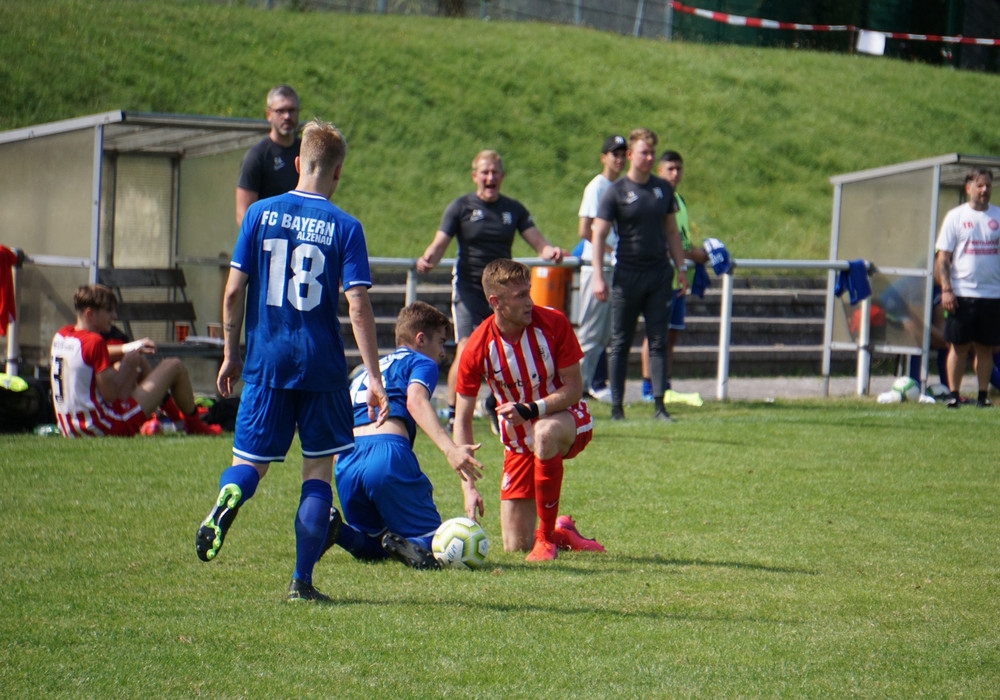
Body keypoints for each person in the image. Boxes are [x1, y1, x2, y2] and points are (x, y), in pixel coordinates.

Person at [196, 118, 390, 603]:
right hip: (322, 367)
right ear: (338, 172)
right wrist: (374, 376)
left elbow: (235, 290)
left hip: (267, 363)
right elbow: (358, 305)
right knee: (317, 474)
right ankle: (302, 582)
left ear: (300, 163)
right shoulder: (346, 226)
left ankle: (231, 495)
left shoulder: (258, 214)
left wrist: (230, 353)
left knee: (249, 464)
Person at [454, 259, 604, 562]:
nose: (530, 302)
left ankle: (546, 539)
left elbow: (575, 388)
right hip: (518, 443)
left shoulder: (553, 323)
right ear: (495, 302)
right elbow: (462, 419)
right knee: (514, 545)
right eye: (520, 296)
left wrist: (532, 409)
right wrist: (468, 488)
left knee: (544, 431)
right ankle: (562, 531)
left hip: (569, 419)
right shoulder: (477, 346)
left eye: (528, 292)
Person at [323, 301, 484, 570]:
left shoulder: (366, 371)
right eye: (441, 342)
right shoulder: (421, 361)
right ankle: (420, 544)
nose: (442, 353)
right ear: (420, 339)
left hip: (346, 461)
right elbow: (416, 402)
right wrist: (450, 449)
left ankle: (338, 530)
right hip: (386, 453)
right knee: (437, 545)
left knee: (377, 544)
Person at [415, 150, 565, 434]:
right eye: (484, 172)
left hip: (504, 293)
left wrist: (550, 251)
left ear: (502, 176)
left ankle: (494, 405)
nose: (490, 177)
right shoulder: (461, 207)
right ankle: (454, 413)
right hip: (470, 289)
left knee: (508, 349)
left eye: (495, 172)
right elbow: (439, 244)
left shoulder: (513, 209)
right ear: (475, 176)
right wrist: (428, 259)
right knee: (467, 347)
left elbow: (539, 243)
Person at [591, 128, 689, 422]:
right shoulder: (616, 191)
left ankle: (659, 406)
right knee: (620, 340)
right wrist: (598, 275)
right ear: (631, 155)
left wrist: (681, 269)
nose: (648, 158)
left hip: (659, 274)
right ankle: (617, 407)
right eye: (644, 153)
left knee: (658, 339)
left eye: (652, 153)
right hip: (627, 274)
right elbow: (598, 235)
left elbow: (671, 231)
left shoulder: (662, 189)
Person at [49, 284, 222, 437]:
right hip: (104, 426)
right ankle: (193, 425)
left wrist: (129, 350)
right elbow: (110, 395)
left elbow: (89, 355)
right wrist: (127, 366)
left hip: (70, 427)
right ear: (90, 314)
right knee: (174, 365)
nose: (114, 316)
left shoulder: (62, 335)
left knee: (135, 359)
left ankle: (175, 420)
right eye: (108, 311)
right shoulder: (95, 343)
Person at [639, 150, 710, 401]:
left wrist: (697, 254)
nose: (675, 174)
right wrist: (696, 255)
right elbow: (664, 243)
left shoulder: (678, 200)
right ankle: (648, 387)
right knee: (654, 334)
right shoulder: (653, 198)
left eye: (679, 168)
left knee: (671, 335)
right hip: (659, 279)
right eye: (670, 168)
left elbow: (680, 239)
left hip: (678, 279)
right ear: (659, 170)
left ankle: (664, 385)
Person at [933, 166, 1000, 409]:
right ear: (968, 188)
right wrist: (947, 289)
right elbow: (944, 257)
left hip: (992, 294)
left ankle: (983, 396)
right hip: (962, 293)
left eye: (988, 186)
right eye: (980, 185)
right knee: (958, 346)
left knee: (986, 348)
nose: (984, 190)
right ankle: (954, 394)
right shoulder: (956, 216)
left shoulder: (998, 216)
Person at [576, 135, 627, 401]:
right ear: (603, 157)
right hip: (596, 267)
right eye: (613, 154)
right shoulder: (597, 187)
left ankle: (584, 387)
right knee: (590, 334)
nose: (618, 159)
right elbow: (585, 230)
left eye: (622, 154)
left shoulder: (621, 186)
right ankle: (574, 389)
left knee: (604, 335)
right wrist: (612, 252)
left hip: (613, 267)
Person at [235, 84, 301, 226]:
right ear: (268, 115)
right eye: (280, 111)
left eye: (291, 110)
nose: (287, 116)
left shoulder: (307, 152)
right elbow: (243, 215)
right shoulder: (257, 156)